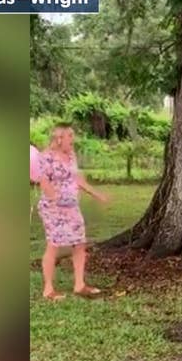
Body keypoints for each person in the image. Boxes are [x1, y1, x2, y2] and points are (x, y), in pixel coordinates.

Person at [37, 123, 108, 300]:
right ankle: (48, 289)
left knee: (79, 243)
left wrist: (97, 194)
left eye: (72, 136)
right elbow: (44, 182)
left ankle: (79, 284)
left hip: (72, 207)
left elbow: (78, 180)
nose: (72, 140)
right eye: (69, 136)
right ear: (59, 138)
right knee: (53, 244)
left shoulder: (71, 156)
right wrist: (56, 202)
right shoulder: (46, 157)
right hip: (53, 208)